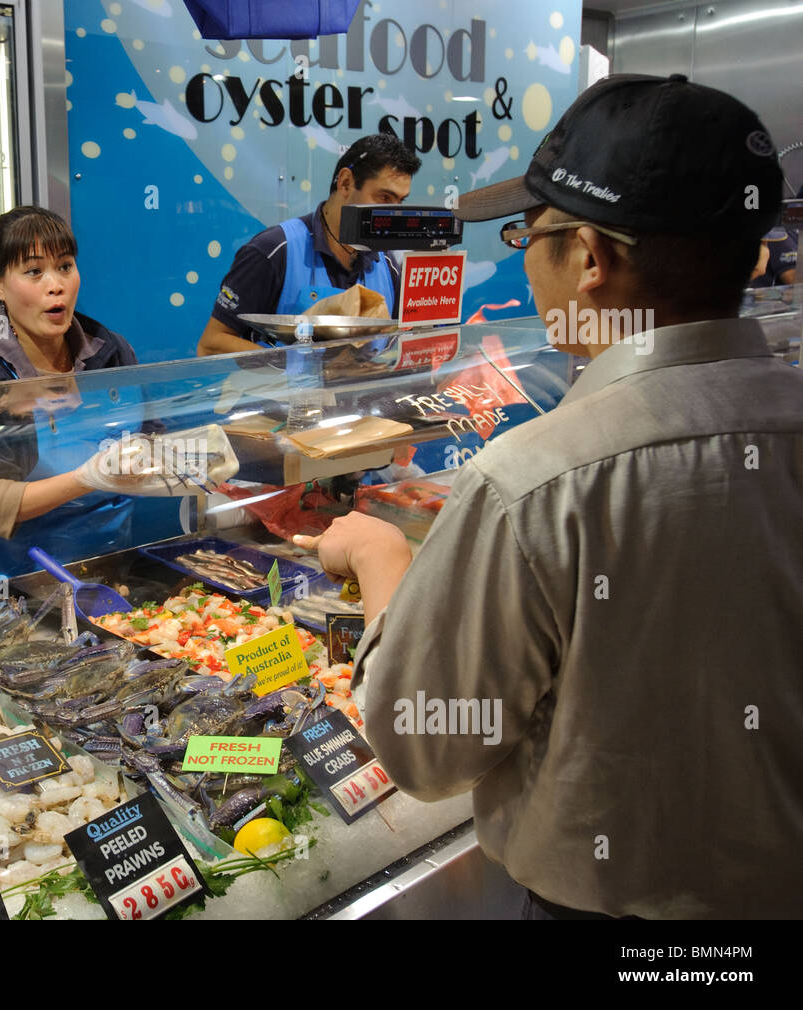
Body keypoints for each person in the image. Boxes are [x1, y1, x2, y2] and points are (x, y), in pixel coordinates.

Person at [294, 74, 803, 918]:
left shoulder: (535, 479)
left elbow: (429, 750)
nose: (525, 256)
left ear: (592, 259)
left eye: (529, 232)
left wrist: (382, 564)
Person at [0, 206, 151, 585]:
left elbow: (151, 432)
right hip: (21, 588)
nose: (56, 285)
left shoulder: (110, 350)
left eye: (65, 266)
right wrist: (88, 477)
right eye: (34, 272)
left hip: (114, 572)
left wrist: (193, 459)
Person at [197, 133, 421, 355]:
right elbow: (211, 344)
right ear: (345, 183)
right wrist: (289, 372)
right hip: (280, 390)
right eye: (384, 198)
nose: (393, 213)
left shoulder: (388, 264)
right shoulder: (273, 251)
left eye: (400, 201)